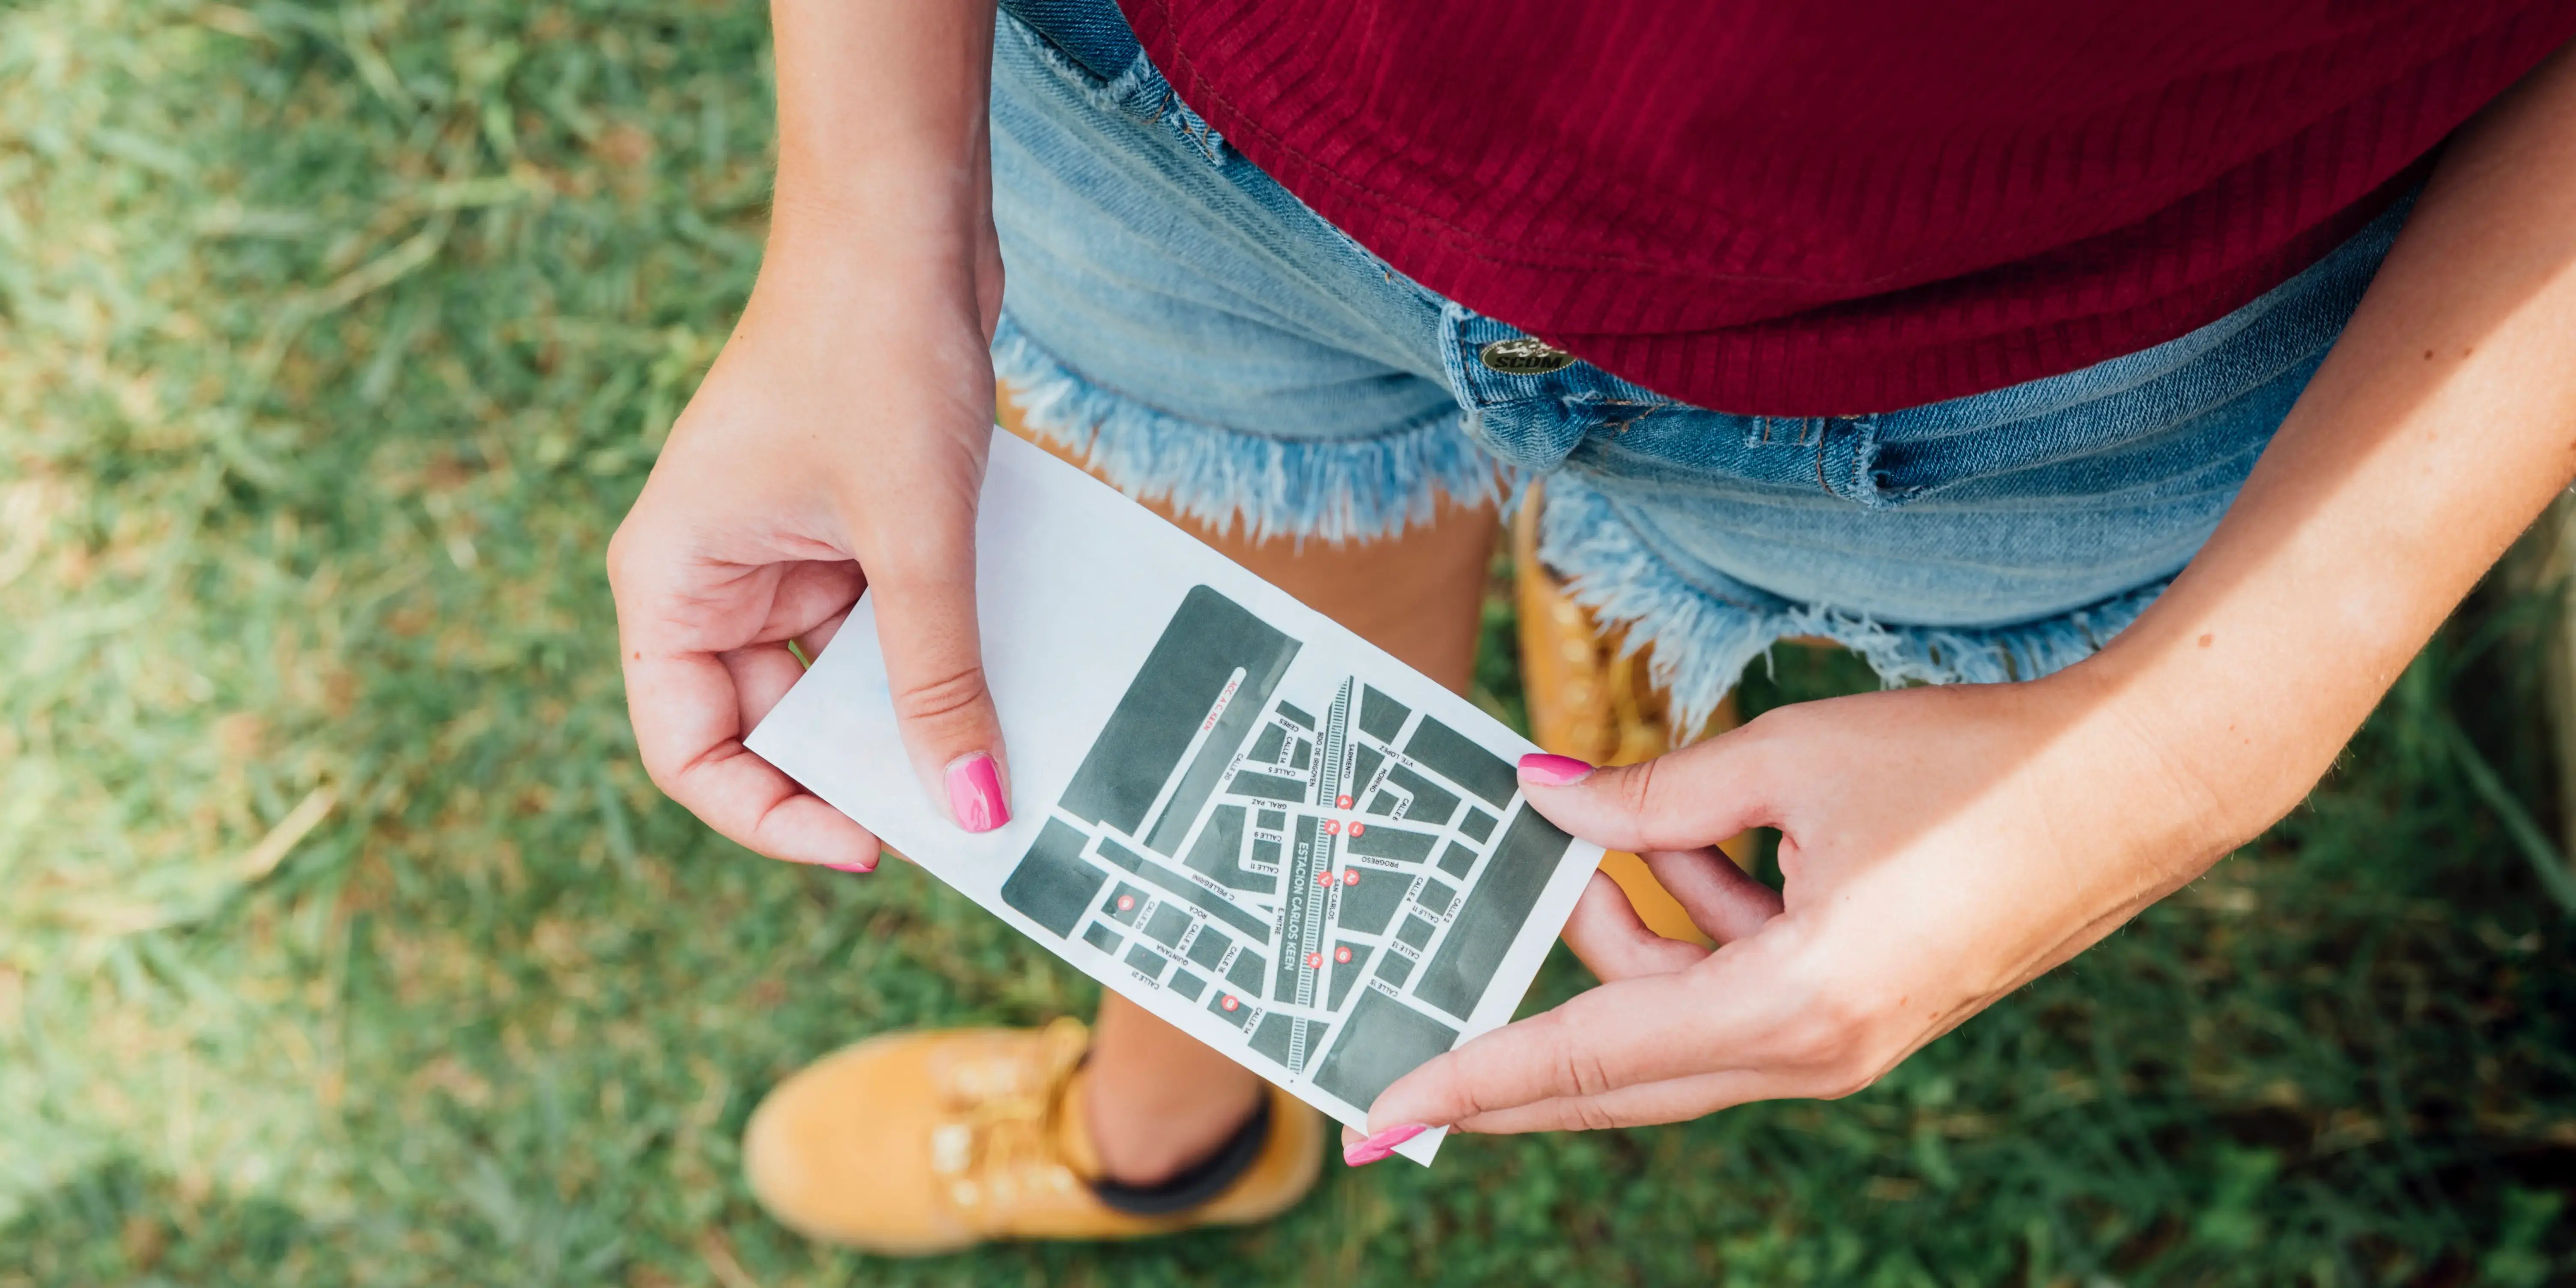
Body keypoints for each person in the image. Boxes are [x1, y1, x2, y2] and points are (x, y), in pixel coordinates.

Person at [605, 0, 2576, 1253]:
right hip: (1176, 123)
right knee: (1241, 647)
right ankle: (1177, 1126)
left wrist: (2209, 734)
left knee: (1563, 709)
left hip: (2033, 339)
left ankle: (1599, 633)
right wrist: (868, 188)